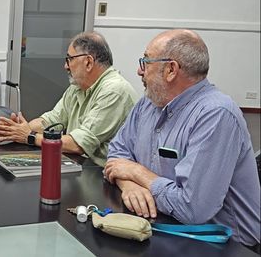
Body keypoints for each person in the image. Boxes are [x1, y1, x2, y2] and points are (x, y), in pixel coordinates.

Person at [104, 29, 260, 247]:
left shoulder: (216, 115)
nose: (139, 71)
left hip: (221, 243)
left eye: (146, 61)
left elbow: (191, 208)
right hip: (163, 224)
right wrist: (129, 185)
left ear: (170, 69)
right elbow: (117, 156)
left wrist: (137, 171)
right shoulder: (147, 103)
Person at [0, 31, 137, 167]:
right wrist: (20, 129)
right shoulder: (77, 87)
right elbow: (50, 120)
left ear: (88, 62)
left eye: (69, 59)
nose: (65, 66)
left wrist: (29, 136)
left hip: (101, 175)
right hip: (79, 164)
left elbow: (78, 145)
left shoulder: (114, 90)